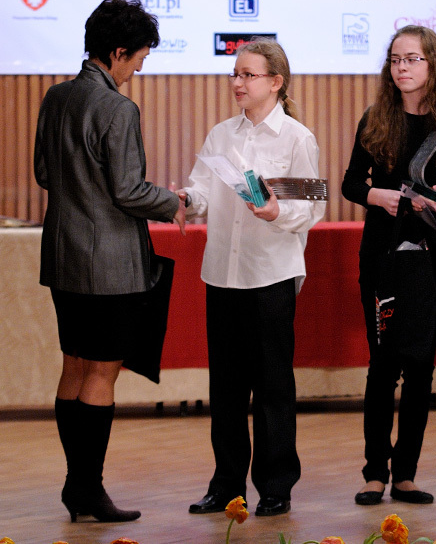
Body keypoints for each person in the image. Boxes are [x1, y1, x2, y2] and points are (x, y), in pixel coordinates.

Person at [34, 0, 186, 522]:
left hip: (63, 258)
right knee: (102, 373)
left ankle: (77, 487)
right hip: (110, 266)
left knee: (74, 366)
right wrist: (172, 202)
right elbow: (128, 190)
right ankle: (87, 489)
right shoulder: (118, 108)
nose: (139, 68)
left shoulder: (56, 97)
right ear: (119, 51)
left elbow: (44, 174)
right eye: (139, 57)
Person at [180, 38, 325, 517]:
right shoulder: (221, 134)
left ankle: (276, 486)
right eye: (235, 74)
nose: (238, 83)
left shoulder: (297, 138)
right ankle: (226, 485)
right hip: (223, 274)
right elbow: (203, 189)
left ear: (276, 82)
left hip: (271, 275)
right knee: (225, 388)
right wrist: (187, 200)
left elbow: (313, 208)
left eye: (248, 75)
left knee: (272, 387)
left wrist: (277, 211)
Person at [342, 25, 436, 506]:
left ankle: (405, 475)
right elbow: (351, 184)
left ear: (433, 65)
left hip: (432, 255)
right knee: (383, 365)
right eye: (395, 59)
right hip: (382, 254)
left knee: (420, 365)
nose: (401, 67)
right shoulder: (376, 118)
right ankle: (374, 474)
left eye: (412, 59)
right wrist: (378, 196)